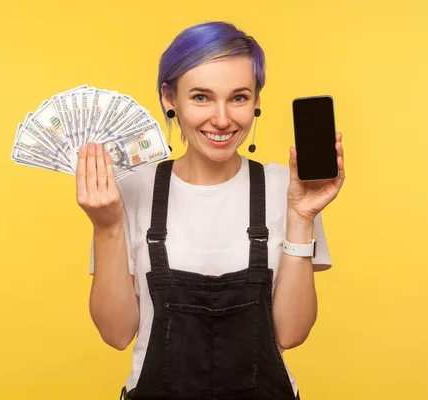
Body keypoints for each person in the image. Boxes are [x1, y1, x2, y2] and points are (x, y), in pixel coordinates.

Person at [77, 21, 345, 400]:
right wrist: (106, 228)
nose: (222, 119)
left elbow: (291, 334)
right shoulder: (132, 189)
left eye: (238, 98)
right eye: (201, 97)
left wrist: (301, 217)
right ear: (170, 98)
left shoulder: (287, 188)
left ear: (256, 101)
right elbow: (116, 334)